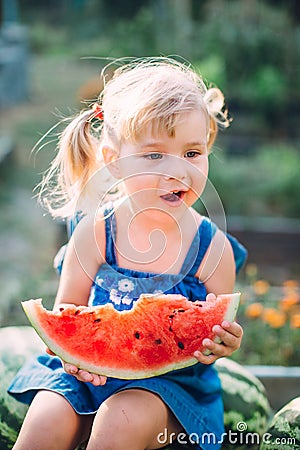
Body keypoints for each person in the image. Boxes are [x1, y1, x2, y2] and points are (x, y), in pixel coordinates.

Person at [8, 57, 247, 450]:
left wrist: (223, 344)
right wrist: (72, 358)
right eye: (154, 155)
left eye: (192, 153)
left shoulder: (213, 250)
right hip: (85, 378)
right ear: (113, 162)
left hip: (169, 389)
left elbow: (209, 340)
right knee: (45, 420)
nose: (177, 172)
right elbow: (67, 314)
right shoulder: (95, 233)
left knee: (121, 419)